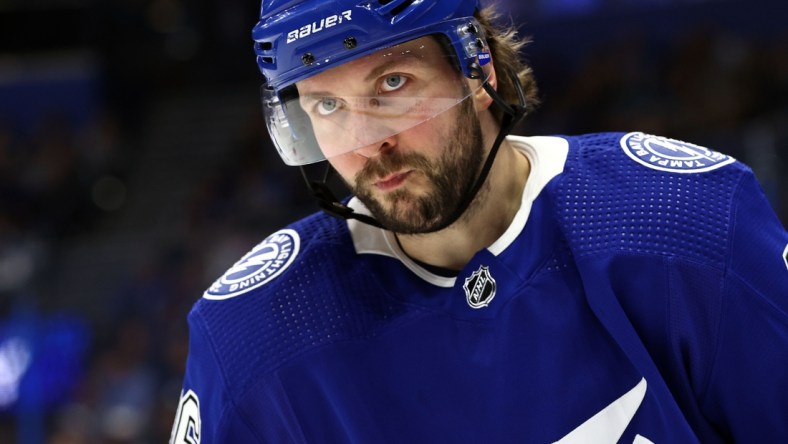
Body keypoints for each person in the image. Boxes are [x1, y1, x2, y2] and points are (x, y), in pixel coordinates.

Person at [171, 0, 788, 442]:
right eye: (328, 106)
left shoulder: (681, 218)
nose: (365, 143)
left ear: (481, 72)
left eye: (392, 82)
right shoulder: (252, 339)